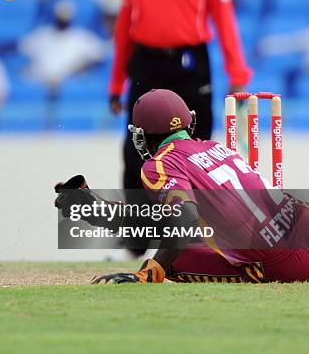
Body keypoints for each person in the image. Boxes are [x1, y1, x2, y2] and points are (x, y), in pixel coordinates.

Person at [59, 89, 309, 283]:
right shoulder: (214, 147)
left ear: (143, 135)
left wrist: (151, 271)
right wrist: (96, 209)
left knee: (174, 259)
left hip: (284, 263)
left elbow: (182, 218)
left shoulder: (160, 163)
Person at [109, 0, 253, 195]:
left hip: (190, 63)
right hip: (146, 61)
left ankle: (197, 223)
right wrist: (116, 84)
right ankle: (138, 226)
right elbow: (126, 21)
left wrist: (237, 74)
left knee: (196, 146)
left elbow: (223, 16)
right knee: (137, 148)